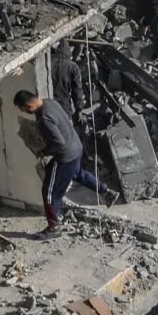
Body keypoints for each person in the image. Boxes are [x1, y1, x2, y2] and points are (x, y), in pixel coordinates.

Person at [15, 89, 100, 234]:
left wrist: (43, 152)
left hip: (65, 155)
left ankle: (54, 227)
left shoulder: (43, 119)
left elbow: (58, 143)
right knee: (78, 173)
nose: (25, 113)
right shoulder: (50, 102)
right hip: (76, 146)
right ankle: (106, 191)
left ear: (29, 105)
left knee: (49, 191)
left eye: (23, 110)